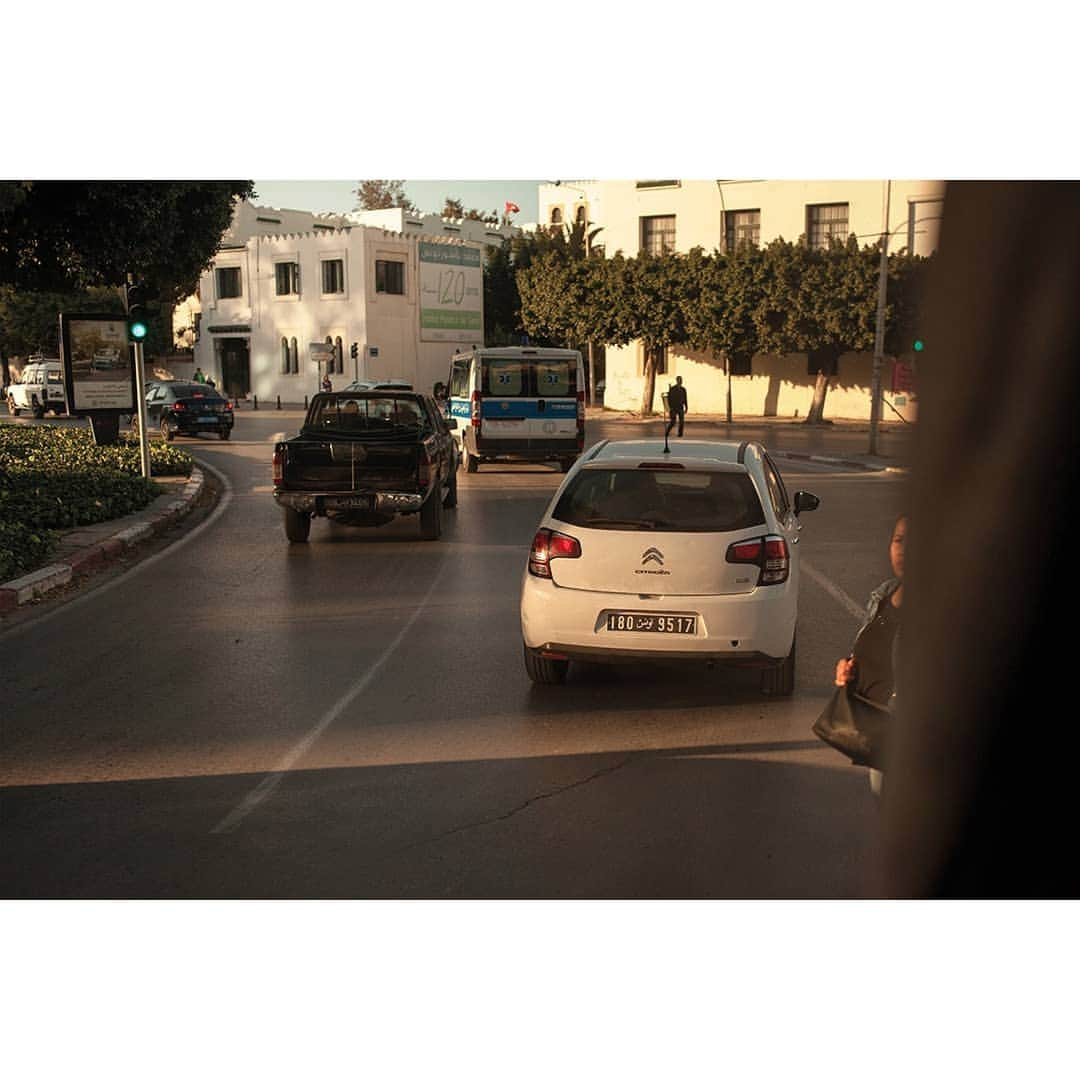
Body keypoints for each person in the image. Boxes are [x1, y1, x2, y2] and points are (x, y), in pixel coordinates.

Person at [879, 181, 1080, 899]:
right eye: (900, 541)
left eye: (911, 539)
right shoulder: (890, 596)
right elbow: (881, 653)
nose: (903, 549)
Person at [833, 513, 906, 796]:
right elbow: (868, 649)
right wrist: (848, 668)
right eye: (899, 540)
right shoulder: (884, 595)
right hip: (880, 730)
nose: (904, 549)